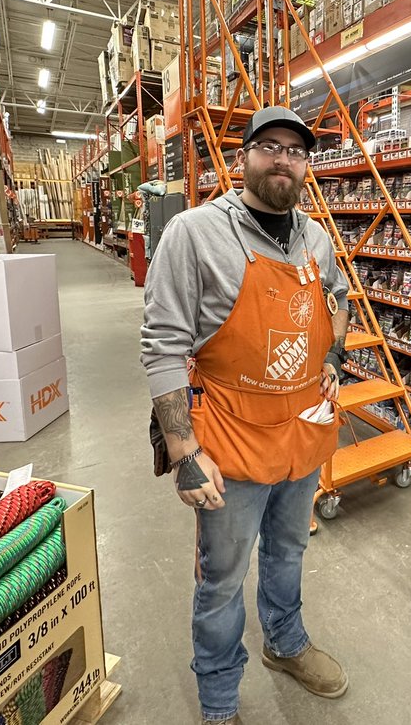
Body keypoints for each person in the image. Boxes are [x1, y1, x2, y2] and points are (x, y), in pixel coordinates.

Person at [141, 106, 350, 725]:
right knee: (222, 579)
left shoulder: (315, 238)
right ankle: (219, 700)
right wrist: (184, 451)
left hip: (302, 433)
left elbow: (336, 297)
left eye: (296, 150)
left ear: (306, 165)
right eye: (269, 146)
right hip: (229, 442)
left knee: (289, 551)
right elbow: (163, 346)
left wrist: (333, 354)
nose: (283, 159)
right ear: (243, 159)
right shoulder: (194, 233)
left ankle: (285, 642)